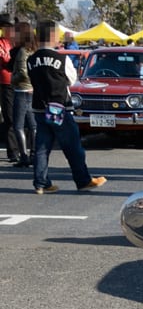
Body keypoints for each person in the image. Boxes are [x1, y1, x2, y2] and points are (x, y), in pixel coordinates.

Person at [27, 19, 106, 195]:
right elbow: (70, 80)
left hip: (39, 108)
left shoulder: (31, 60)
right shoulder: (61, 58)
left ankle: (41, 183)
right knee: (72, 146)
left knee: (41, 147)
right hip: (60, 107)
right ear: (54, 36)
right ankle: (83, 180)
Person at [10, 21, 37, 168]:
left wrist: (12, 80)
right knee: (33, 125)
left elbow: (22, 72)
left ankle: (24, 156)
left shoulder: (22, 51)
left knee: (18, 125)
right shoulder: (34, 48)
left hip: (21, 90)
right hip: (33, 90)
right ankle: (34, 154)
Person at [0, 13, 16, 162]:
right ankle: (12, 151)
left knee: (20, 117)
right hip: (5, 83)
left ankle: (21, 147)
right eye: (6, 27)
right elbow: (5, 61)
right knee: (9, 117)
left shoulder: (16, 43)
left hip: (18, 83)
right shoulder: (1, 43)